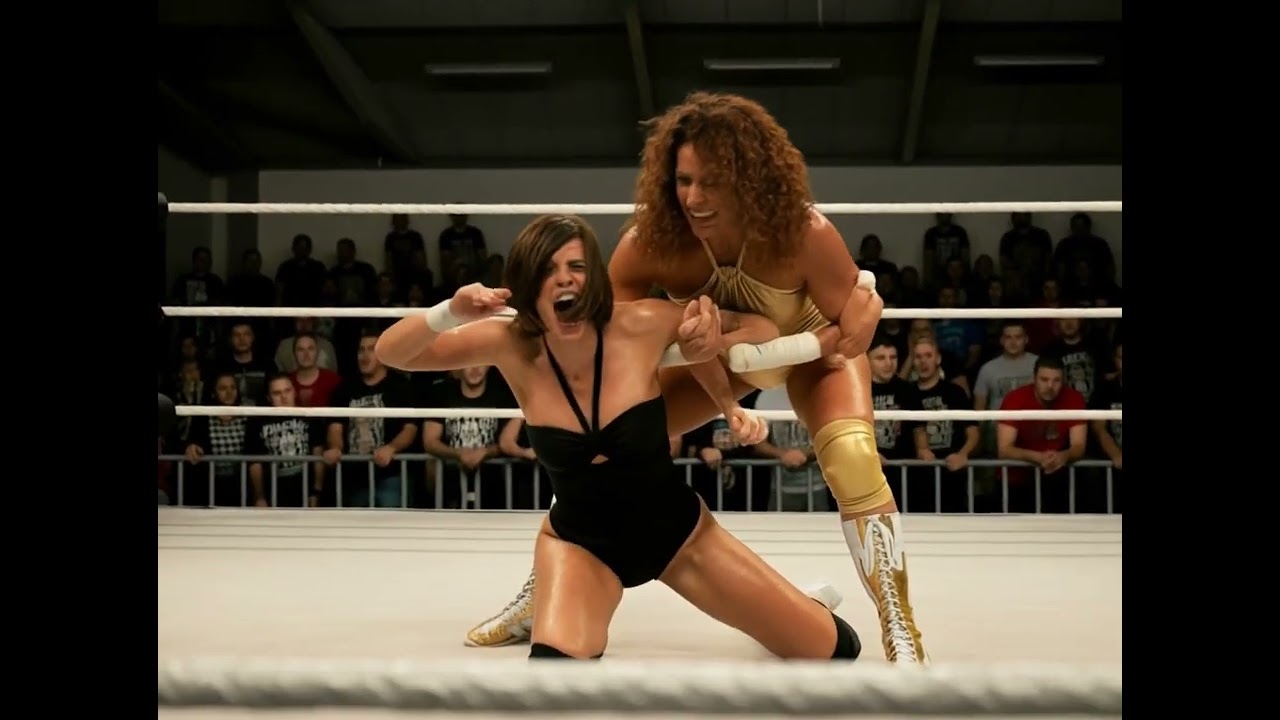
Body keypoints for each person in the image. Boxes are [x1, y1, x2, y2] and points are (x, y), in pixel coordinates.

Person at [468, 92, 927, 665]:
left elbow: (851, 332)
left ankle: (899, 621)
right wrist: (696, 345)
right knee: (603, 435)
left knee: (853, 456)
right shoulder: (653, 242)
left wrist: (864, 310)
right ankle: (549, 588)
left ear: (751, 178)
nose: (694, 198)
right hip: (719, 364)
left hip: (812, 351)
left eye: (712, 182)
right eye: (684, 180)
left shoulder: (803, 232)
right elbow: (605, 343)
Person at [375, 214, 861, 661]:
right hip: (580, 545)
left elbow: (761, 325)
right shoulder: (509, 343)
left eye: (577, 266)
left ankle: (799, 607)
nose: (565, 278)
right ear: (527, 282)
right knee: (554, 671)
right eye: (548, 268)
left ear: (594, 278)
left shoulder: (640, 324)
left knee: (834, 650)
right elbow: (393, 353)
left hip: (678, 535)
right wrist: (450, 312)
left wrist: (714, 341)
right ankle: (543, 605)